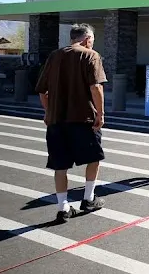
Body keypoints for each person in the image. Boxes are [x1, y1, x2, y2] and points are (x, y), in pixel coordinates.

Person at [35, 24, 106, 224]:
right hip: (83, 119)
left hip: (57, 121)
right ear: (87, 39)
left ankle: (63, 207)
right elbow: (96, 87)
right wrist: (100, 114)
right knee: (94, 158)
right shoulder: (91, 55)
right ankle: (89, 198)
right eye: (92, 39)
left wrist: (49, 112)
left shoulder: (54, 56)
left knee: (60, 165)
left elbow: (42, 91)